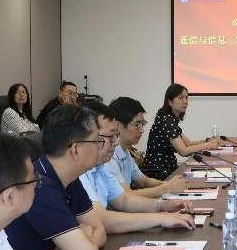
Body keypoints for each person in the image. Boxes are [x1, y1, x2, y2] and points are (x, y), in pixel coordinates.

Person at [6, 105, 106, 250]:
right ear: (75, 149)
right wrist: (83, 240)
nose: (100, 146)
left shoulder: (70, 177)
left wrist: (82, 243)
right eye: (97, 141)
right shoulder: (39, 186)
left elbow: (99, 230)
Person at [78, 100, 196, 233]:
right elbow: (101, 219)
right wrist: (161, 217)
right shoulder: (80, 173)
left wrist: (162, 205)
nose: (115, 142)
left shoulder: (100, 166)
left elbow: (123, 200)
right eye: (110, 136)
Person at [107, 96, 186, 197]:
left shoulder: (125, 151)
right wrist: (167, 187)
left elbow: (143, 181)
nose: (142, 130)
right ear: (117, 126)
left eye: (142, 124)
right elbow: (126, 196)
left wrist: (168, 184)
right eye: (137, 125)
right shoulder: (109, 156)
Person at [144, 83, 220, 178]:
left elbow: (188, 144)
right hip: (159, 172)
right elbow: (183, 151)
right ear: (170, 102)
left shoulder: (169, 119)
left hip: (167, 168)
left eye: (186, 98)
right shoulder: (166, 121)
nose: (185, 102)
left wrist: (208, 140)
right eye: (180, 98)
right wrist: (208, 145)